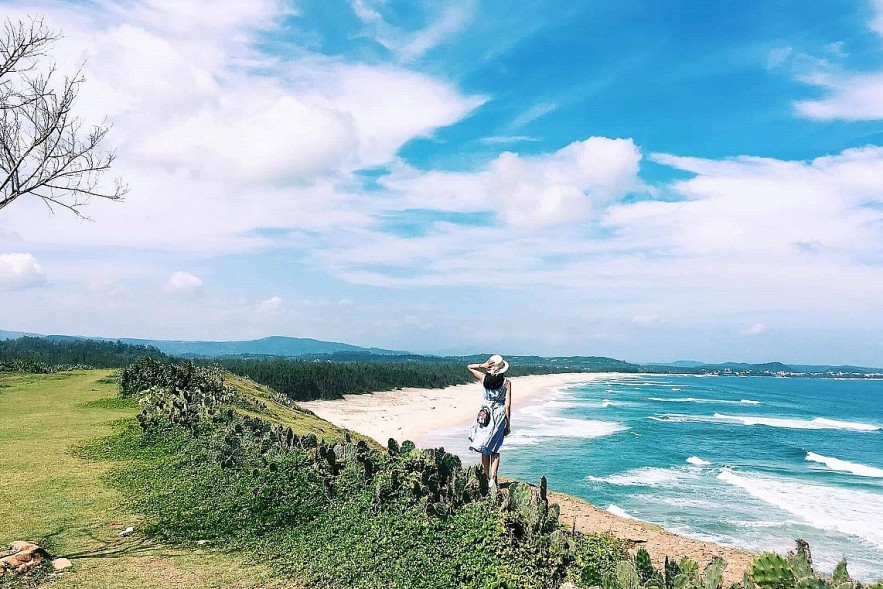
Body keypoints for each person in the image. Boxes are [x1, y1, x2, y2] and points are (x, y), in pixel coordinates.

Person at [467, 354, 511, 489]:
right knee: (495, 449)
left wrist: (482, 365)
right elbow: (507, 405)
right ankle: (493, 478)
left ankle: (486, 478)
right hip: (498, 415)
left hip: (485, 414)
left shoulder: (483, 378)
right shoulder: (506, 383)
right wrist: (507, 424)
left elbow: (469, 367)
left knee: (485, 450)